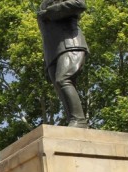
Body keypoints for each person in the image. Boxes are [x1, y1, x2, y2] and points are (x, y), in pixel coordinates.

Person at [37, 0, 90, 128]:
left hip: (70, 43)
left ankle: (79, 121)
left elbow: (79, 4)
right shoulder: (42, 3)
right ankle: (74, 119)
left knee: (63, 79)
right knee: (59, 84)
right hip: (52, 52)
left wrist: (50, 12)